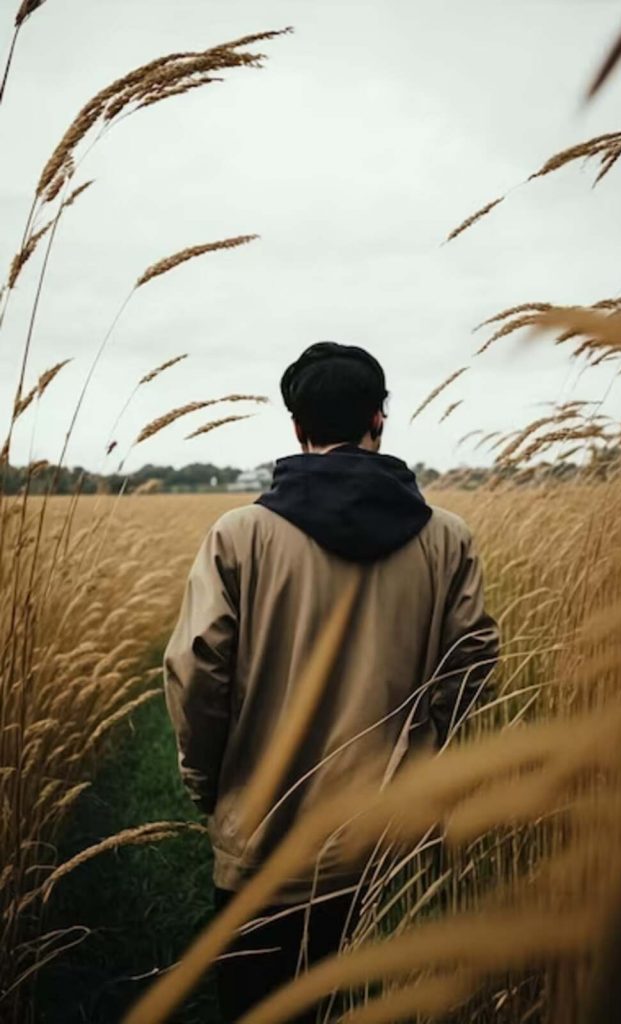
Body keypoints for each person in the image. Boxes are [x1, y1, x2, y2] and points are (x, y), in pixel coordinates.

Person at [164, 341, 499, 1021]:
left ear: (297, 428)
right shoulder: (447, 538)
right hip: (392, 851)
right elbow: (469, 675)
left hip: (265, 848)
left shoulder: (238, 536)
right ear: (380, 418)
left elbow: (198, 679)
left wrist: (211, 788)